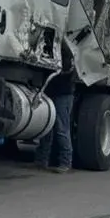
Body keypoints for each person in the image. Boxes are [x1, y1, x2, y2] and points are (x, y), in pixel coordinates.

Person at [35, 42, 76, 173]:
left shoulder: (64, 49)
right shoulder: (48, 45)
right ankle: (42, 160)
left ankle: (66, 162)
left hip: (63, 94)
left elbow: (68, 67)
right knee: (46, 127)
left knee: (61, 128)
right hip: (50, 91)